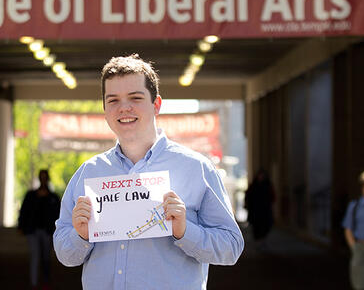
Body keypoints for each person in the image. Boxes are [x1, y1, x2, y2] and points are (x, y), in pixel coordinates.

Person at [53, 54, 244, 289]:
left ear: (157, 105)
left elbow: (231, 247)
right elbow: (65, 255)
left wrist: (185, 231)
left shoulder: (197, 169)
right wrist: (80, 236)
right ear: (104, 109)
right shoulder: (88, 174)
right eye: (113, 100)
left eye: (135, 97)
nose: (124, 108)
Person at [19, 169, 61, 290]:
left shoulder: (53, 197)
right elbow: (24, 211)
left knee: (46, 257)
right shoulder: (31, 195)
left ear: (47, 179)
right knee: (35, 257)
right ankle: (34, 283)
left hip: (47, 232)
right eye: (41, 177)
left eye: (45, 177)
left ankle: (46, 281)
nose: (43, 180)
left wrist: (57, 230)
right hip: (33, 231)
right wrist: (21, 226)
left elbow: (59, 215)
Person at [244, 169, 274, 249]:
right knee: (256, 226)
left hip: (265, 210)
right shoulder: (253, 186)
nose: (261, 177)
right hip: (255, 211)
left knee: (266, 225)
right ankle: (258, 241)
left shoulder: (268, 185)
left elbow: (272, 196)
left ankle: (263, 240)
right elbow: (248, 197)